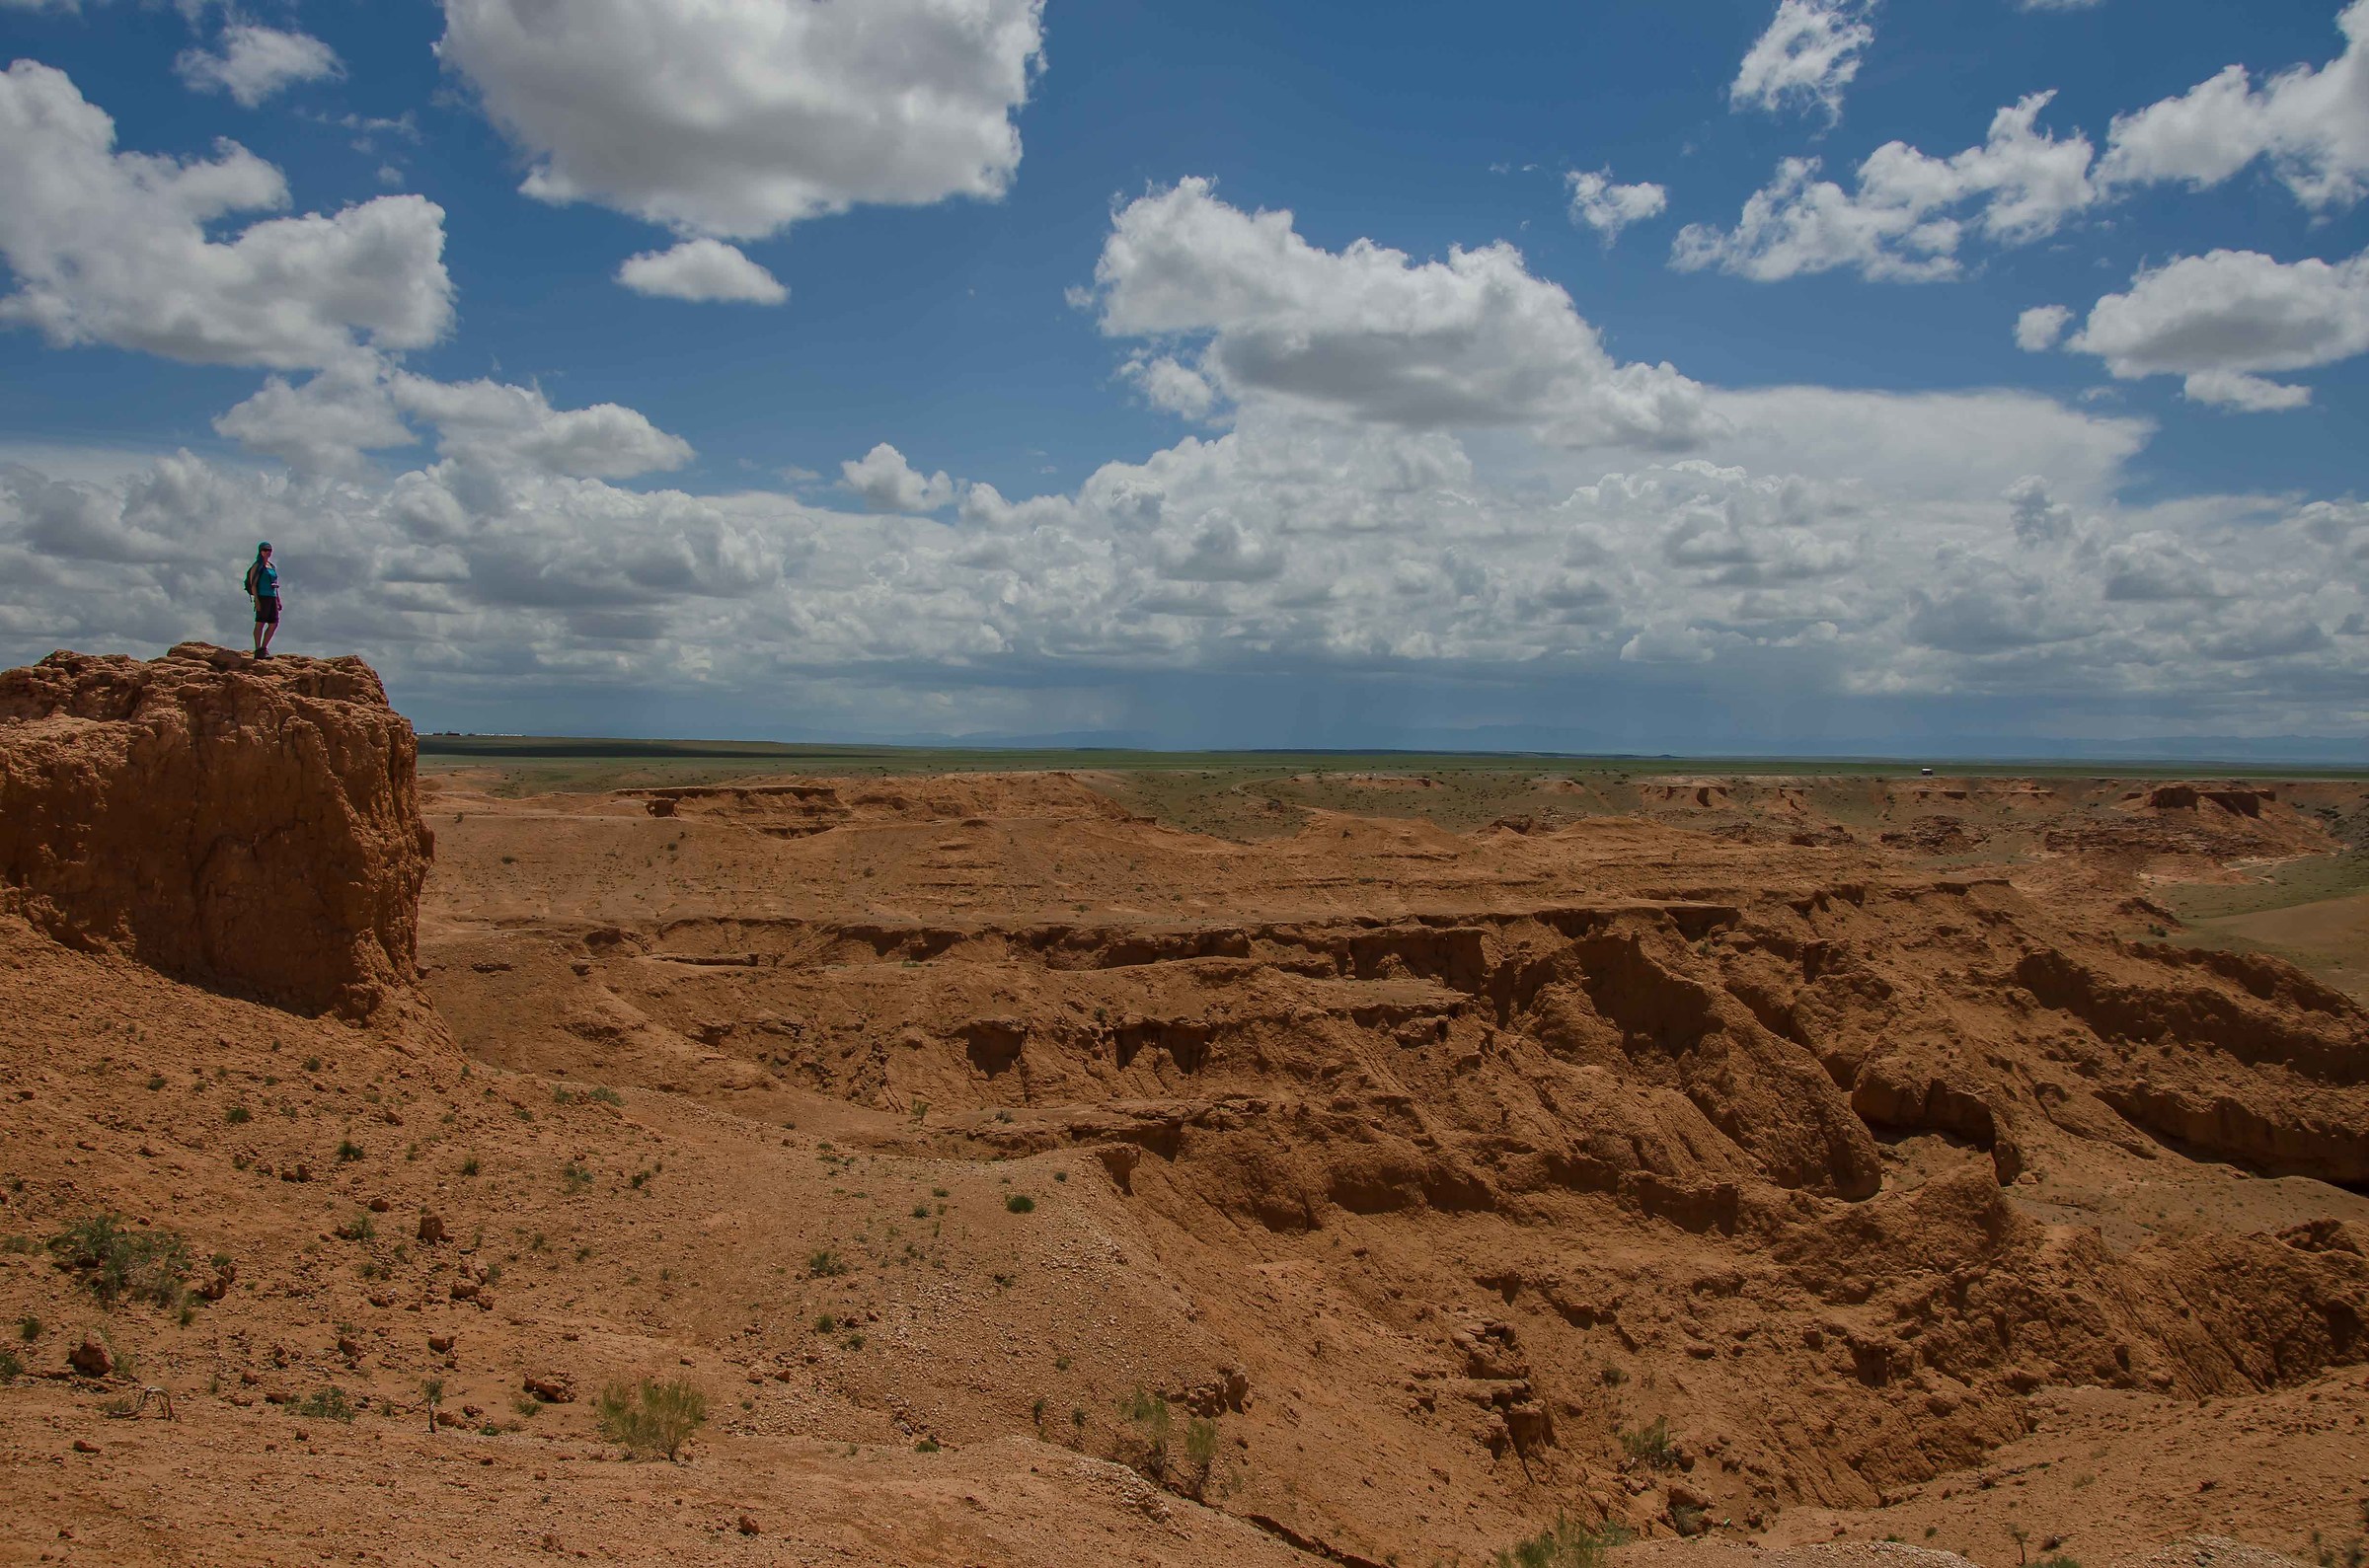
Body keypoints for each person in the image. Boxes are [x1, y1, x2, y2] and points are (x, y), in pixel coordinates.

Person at [244, 542, 280, 657]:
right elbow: (253, 584)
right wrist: (257, 600)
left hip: (272, 596)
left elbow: (275, 584)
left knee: (273, 623)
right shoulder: (257, 566)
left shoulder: (272, 566)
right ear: (260, 551)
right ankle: (258, 649)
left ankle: (264, 648)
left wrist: (278, 600)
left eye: (269, 550)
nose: (267, 552)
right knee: (260, 623)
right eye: (265, 550)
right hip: (262, 596)